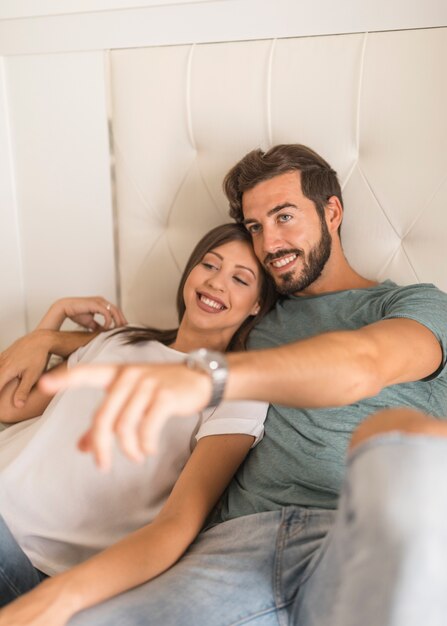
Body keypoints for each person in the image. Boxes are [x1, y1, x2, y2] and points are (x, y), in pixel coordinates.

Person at [3, 143, 447, 626]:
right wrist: (46, 337)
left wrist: (211, 381)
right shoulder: (252, 324)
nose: (269, 244)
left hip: (352, 530)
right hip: (234, 547)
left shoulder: (411, 305)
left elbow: (365, 362)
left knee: (399, 444)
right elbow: (160, 345)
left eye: (284, 217)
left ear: (332, 211)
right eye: (256, 227)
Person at [0, 223, 276, 624]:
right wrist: (49, 329)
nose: (216, 283)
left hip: (35, 559)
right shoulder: (121, 341)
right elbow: (10, 406)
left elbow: (181, 521)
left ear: (257, 305)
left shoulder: (236, 388)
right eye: (209, 265)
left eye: (239, 278)